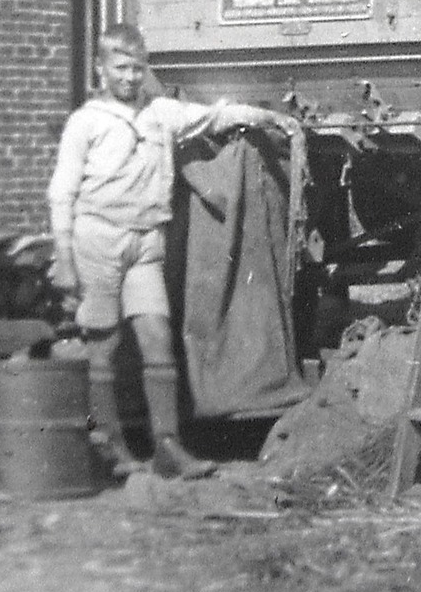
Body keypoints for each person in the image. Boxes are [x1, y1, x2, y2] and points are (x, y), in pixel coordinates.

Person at [48, 24, 298, 480]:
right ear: (102, 70)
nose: (129, 78)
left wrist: (267, 117)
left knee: (158, 340)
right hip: (97, 238)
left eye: (137, 69)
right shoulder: (86, 123)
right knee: (103, 343)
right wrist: (64, 259)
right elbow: (61, 193)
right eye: (120, 69)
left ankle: (168, 447)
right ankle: (110, 446)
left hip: (147, 241)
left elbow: (215, 117)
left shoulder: (161, 113)